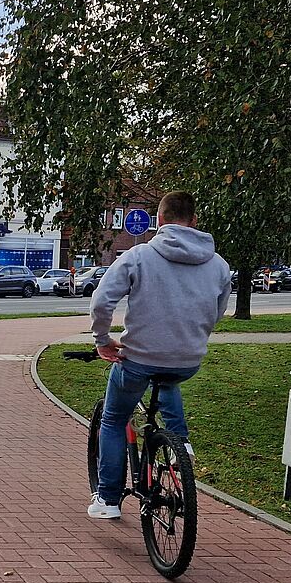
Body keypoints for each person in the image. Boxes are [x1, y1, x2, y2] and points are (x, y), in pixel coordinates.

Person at [87, 191, 231, 520]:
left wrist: (102, 340)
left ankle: (108, 499)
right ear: (194, 221)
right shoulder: (219, 265)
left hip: (138, 358)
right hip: (187, 360)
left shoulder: (139, 257)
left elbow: (101, 302)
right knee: (167, 381)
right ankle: (181, 443)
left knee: (113, 419)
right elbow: (217, 311)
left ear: (160, 220)